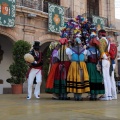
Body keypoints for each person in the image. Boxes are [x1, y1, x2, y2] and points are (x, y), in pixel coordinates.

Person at [86, 33, 105, 100]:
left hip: (90, 66)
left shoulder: (87, 50)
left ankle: (91, 94)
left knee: (90, 79)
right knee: (96, 80)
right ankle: (95, 94)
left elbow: (85, 58)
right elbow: (100, 57)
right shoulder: (97, 51)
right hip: (97, 66)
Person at [98, 29, 112, 101]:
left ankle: (106, 95)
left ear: (100, 34)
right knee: (108, 78)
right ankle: (109, 95)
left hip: (104, 59)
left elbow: (101, 50)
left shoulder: (101, 41)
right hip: (108, 60)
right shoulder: (107, 41)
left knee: (105, 78)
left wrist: (104, 57)